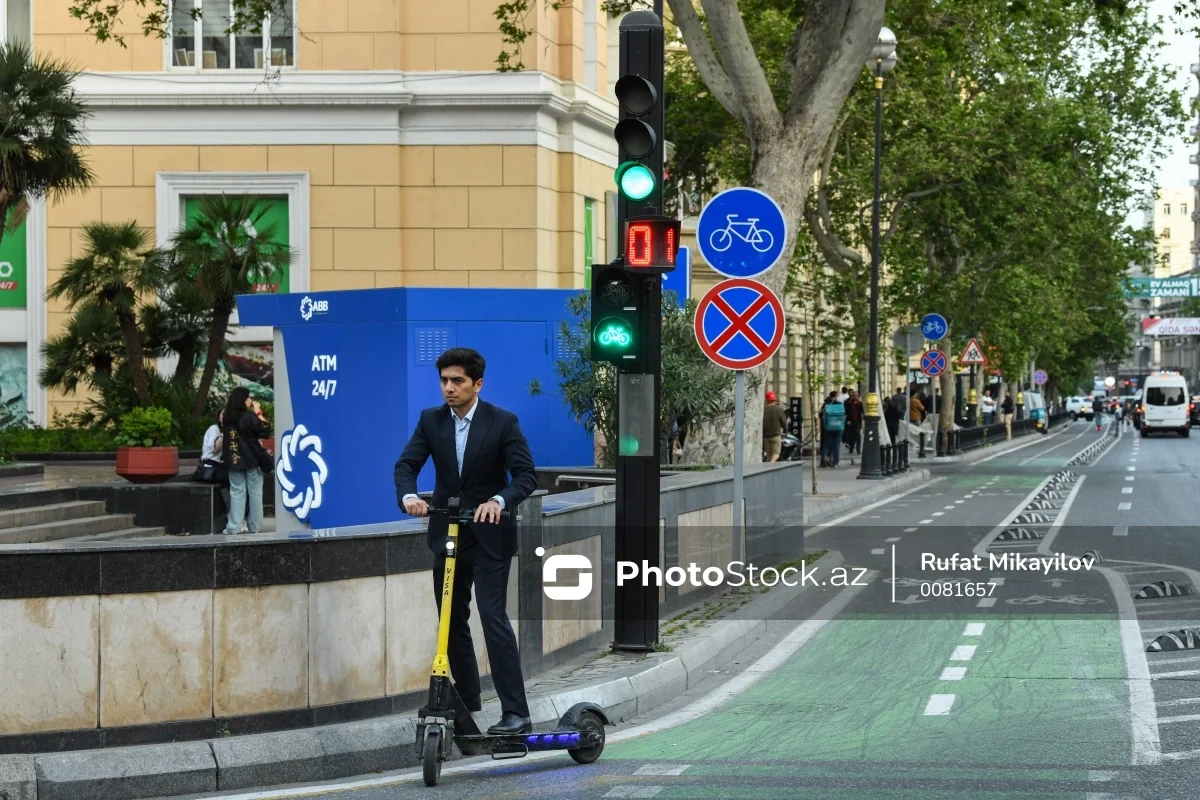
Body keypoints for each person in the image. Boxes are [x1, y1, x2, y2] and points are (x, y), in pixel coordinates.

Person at [393, 347, 539, 736]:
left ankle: (516, 713)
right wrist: (409, 496)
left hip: (490, 535)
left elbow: (526, 476)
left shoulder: (502, 422)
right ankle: (470, 699)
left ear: (477, 383)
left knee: (493, 619)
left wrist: (498, 500)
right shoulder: (431, 421)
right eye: (444, 381)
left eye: (457, 381)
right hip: (448, 534)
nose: (449, 388)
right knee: (450, 620)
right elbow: (407, 465)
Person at [221, 388, 272, 534]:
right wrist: (258, 411)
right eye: (248, 397)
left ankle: (233, 527)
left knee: (237, 493)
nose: (250, 400)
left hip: (234, 461)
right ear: (243, 400)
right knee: (255, 493)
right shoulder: (248, 416)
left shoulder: (227, 418)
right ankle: (254, 527)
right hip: (252, 461)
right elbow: (265, 431)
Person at [820, 392, 845, 467]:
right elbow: (843, 414)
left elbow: (820, 415)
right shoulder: (839, 404)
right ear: (836, 396)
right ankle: (835, 463)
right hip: (838, 426)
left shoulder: (826, 404)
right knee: (836, 446)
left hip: (828, 427)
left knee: (826, 445)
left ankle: (824, 460)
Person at [762, 390, 787, 462]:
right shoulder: (779, 409)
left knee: (769, 455)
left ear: (766, 399)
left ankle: (769, 469)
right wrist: (785, 431)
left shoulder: (764, 409)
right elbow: (784, 422)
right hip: (776, 435)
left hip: (766, 436)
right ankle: (771, 465)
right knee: (776, 453)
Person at [844, 390, 864, 455]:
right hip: (850, 422)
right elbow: (846, 412)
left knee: (858, 436)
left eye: (856, 395)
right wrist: (847, 421)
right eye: (853, 395)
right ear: (851, 396)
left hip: (858, 422)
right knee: (851, 437)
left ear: (858, 396)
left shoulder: (860, 403)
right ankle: (851, 448)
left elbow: (863, 412)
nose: (855, 396)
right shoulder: (848, 403)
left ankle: (858, 449)